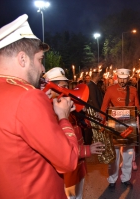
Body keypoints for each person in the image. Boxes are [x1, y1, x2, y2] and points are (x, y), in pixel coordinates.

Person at [0, 14, 79, 198]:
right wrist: (64, 117)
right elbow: (69, 160)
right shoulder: (28, 96)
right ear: (22, 59)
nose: (43, 69)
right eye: (41, 60)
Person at [43, 67, 105, 199]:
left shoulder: (63, 107)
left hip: (79, 164)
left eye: (67, 86)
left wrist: (93, 120)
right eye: (63, 87)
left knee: (79, 196)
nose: (67, 91)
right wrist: (88, 150)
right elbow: (61, 149)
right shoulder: (50, 113)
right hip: (67, 170)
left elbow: (77, 124)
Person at [100, 68, 140, 192]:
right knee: (115, 154)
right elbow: (104, 107)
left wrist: (136, 111)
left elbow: (138, 107)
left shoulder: (133, 90)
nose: (123, 80)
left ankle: (125, 178)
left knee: (128, 153)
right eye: (120, 77)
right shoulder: (110, 89)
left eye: (125, 78)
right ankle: (112, 179)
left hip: (129, 126)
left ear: (128, 78)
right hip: (114, 126)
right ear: (117, 77)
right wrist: (102, 122)